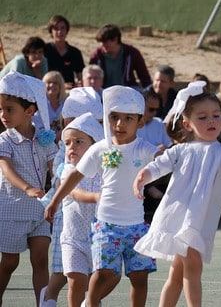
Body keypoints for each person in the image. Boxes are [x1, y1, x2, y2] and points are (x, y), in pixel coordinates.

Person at [45, 85, 159, 307]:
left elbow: (162, 161)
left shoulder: (144, 148)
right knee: (97, 273)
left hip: (136, 225)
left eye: (128, 118)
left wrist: (174, 156)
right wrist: (56, 200)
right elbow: (75, 176)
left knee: (139, 276)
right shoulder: (100, 150)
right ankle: (88, 304)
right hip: (103, 226)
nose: (119, 124)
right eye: (114, 117)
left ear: (140, 122)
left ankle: (90, 303)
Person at [132, 81, 221, 307]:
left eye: (216, 115)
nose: (211, 121)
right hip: (178, 215)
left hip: (202, 220)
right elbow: (159, 164)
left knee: (179, 272)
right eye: (202, 117)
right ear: (187, 124)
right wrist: (144, 175)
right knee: (191, 264)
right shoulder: (180, 150)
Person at [39, 87, 104, 307]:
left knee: (90, 275)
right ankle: (48, 300)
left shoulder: (101, 154)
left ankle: (89, 302)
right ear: (67, 120)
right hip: (66, 219)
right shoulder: (65, 151)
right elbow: (63, 178)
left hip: (93, 225)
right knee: (62, 270)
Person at [0, 71, 58, 306]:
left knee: (40, 258)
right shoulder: (5, 140)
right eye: (0, 109)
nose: (3, 114)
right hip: (12, 210)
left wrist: (62, 187)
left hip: (40, 210)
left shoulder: (45, 140)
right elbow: (6, 169)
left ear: (30, 111)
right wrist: (27, 188)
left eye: (9, 109)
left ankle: (42, 304)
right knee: (10, 262)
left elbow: (57, 168)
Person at [59, 113, 104, 307]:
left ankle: (90, 303)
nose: (72, 147)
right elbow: (75, 192)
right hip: (73, 239)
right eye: (68, 143)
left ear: (95, 146)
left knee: (101, 282)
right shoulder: (68, 171)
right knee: (76, 281)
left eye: (78, 141)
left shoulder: (104, 169)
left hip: (100, 239)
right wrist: (96, 197)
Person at [136, 90, 172, 223]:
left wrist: (164, 149)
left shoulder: (159, 123)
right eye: (151, 109)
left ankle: (152, 190)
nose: (154, 113)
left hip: (159, 166)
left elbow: (170, 145)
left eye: (157, 109)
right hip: (139, 166)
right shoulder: (131, 124)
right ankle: (151, 189)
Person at [89, 24, 152, 89]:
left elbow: (144, 76)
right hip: (104, 90)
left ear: (115, 39)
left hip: (127, 89)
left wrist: (149, 91)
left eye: (105, 42)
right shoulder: (96, 56)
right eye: (101, 42)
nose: (102, 45)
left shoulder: (131, 53)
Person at [45, 15, 85, 88]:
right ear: (51, 31)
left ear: (67, 30)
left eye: (63, 28)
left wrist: (79, 84)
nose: (60, 32)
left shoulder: (75, 53)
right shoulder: (44, 50)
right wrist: (62, 86)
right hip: (48, 90)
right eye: (56, 29)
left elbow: (81, 76)